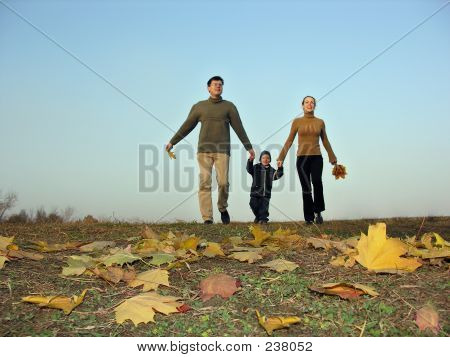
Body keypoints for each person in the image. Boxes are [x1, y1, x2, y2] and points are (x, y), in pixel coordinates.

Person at [166, 76, 255, 224]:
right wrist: (172, 142)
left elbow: (239, 127)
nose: (218, 86)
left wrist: (248, 147)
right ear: (208, 88)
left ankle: (222, 207)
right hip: (204, 151)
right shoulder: (199, 107)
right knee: (205, 183)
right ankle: (207, 217)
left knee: (223, 183)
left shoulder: (229, 107)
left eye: (220, 85)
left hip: (222, 150)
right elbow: (187, 126)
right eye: (215, 84)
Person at [276, 96, 337, 224]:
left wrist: (332, 157)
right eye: (307, 102)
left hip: (316, 158)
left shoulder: (320, 122)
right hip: (302, 159)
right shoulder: (297, 122)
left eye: (312, 103)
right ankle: (309, 218)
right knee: (306, 187)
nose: (309, 104)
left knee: (317, 182)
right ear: (302, 105)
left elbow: (325, 140)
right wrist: (281, 157)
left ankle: (318, 211)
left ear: (315, 106)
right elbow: (289, 140)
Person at [247, 150, 284, 224]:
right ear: (260, 159)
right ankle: (258, 217)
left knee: (264, 208)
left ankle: (263, 220)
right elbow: (249, 169)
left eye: (267, 158)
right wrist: (250, 161)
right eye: (263, 158)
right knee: (253, 204)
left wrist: (280, 168)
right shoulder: (255, 167)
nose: (265, 159)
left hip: (266, 194)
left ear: (270, 160)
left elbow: (278, 175)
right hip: (255, 192)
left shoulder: (272, 170)